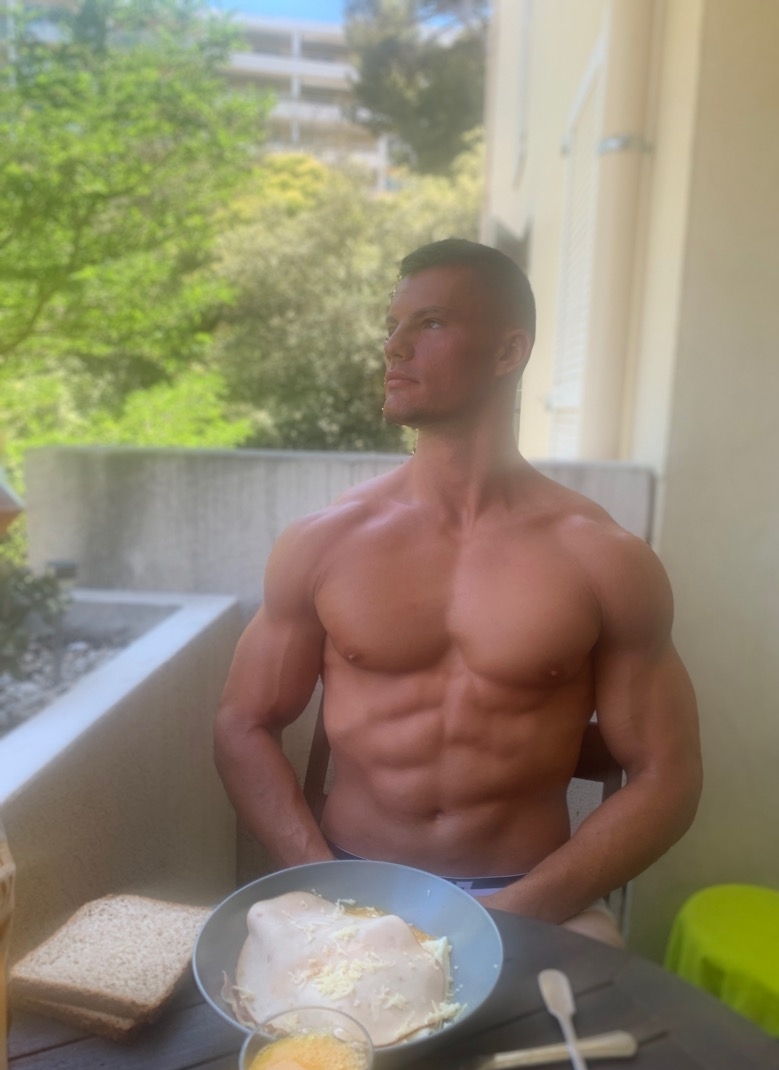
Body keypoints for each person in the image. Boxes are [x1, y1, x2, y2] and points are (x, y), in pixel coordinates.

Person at [214, 239, 702, 948]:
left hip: (530, 897)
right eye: (393, 326)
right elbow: (242, 723)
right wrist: (322, 885)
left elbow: (668, 774)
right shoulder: (326, 542)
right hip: (350, 882)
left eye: (431, 323)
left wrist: (514, 915)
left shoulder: (603, 558)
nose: (394, 347)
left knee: (595, 1020)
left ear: (508, 352)